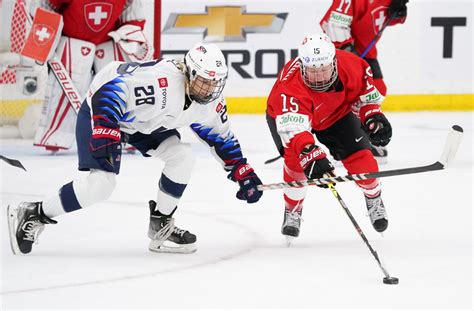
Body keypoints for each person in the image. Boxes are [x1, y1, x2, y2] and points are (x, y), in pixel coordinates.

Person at [7, 43, 263, 255]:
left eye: (215, 83)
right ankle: (36, 212)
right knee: (101, 186)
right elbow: (108, 92)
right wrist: (106, 130)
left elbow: (222, 138)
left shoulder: (211, 101)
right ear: (189, 73)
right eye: (204, 82)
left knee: (182, 157)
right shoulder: (160, 83)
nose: (209, 90)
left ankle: (161, 222)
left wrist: (242, 170)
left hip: (143, 122)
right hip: (105, 112)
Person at [266, 33, 392, 242]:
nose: (319, 78)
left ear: (333, 62)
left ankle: (374, 196)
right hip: (287, 118)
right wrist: (311, 155)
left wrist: (373, 118)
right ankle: (293, 209)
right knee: (297, 164)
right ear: (302, 66)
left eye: (324, 70)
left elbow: (366, 98)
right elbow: (296, 134)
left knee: (364, 164)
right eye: (313, 71)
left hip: (335, 114)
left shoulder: (353, 65)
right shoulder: (289, 88)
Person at [31, 0, 154, 152]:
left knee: (120, 89)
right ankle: (57, 133)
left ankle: (129, 133)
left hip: (109, 40)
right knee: (63, 90)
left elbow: (131, 10)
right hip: (72, 40)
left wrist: (130, 34)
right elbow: (46, 6)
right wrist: (45, 35)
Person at [320, 0, 408, 162]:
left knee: (377, 89)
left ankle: (366, 133)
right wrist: (347, 50)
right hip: (343, 53)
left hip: (365, 52)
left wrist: (397, 11)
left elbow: (374, 22)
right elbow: (333, 24)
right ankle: (348, 140)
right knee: (349, 97)